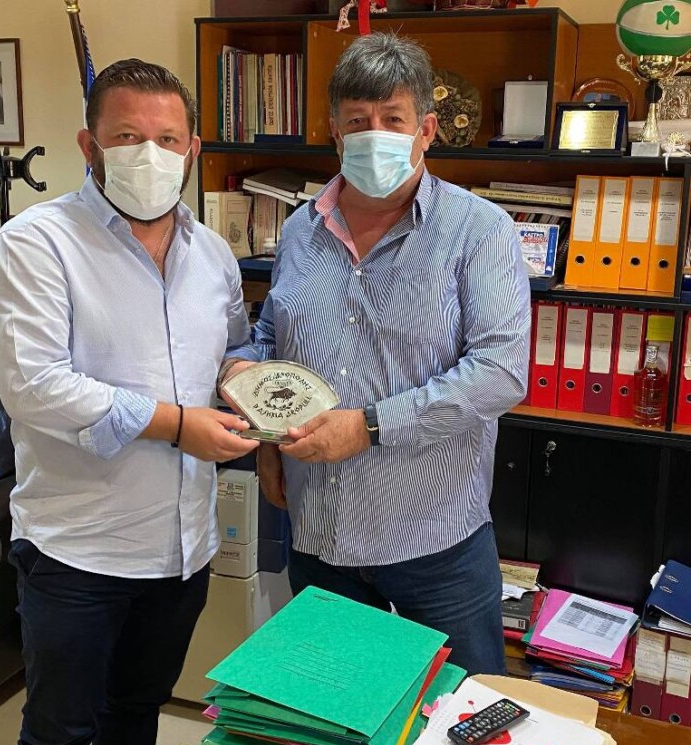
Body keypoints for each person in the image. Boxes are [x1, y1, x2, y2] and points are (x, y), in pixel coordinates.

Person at [220, 32, 531, 675]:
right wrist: (251, 390)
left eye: (393, 119)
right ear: (334, 132)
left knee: (459, 714)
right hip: (318, 536)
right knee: (335, 714)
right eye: (358, 121)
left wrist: (368, 427)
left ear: (426, 130)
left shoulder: (480, 229)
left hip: (436, 544)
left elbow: (500, 372)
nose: (374, 135)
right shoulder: (301, 229)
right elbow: (277, 337)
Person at [0, 59, 258, 745]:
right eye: (127, 136)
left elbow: (232, 347)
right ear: (90, 145)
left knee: (136, 715)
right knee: (56, 738)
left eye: (167, 139)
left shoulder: (212, 254)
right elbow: (32, 384)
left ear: (192, 149)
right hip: (77, 552)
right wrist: (175, 423)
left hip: (181, 548)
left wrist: (242, 377)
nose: (150, 154)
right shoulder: (35, 242)